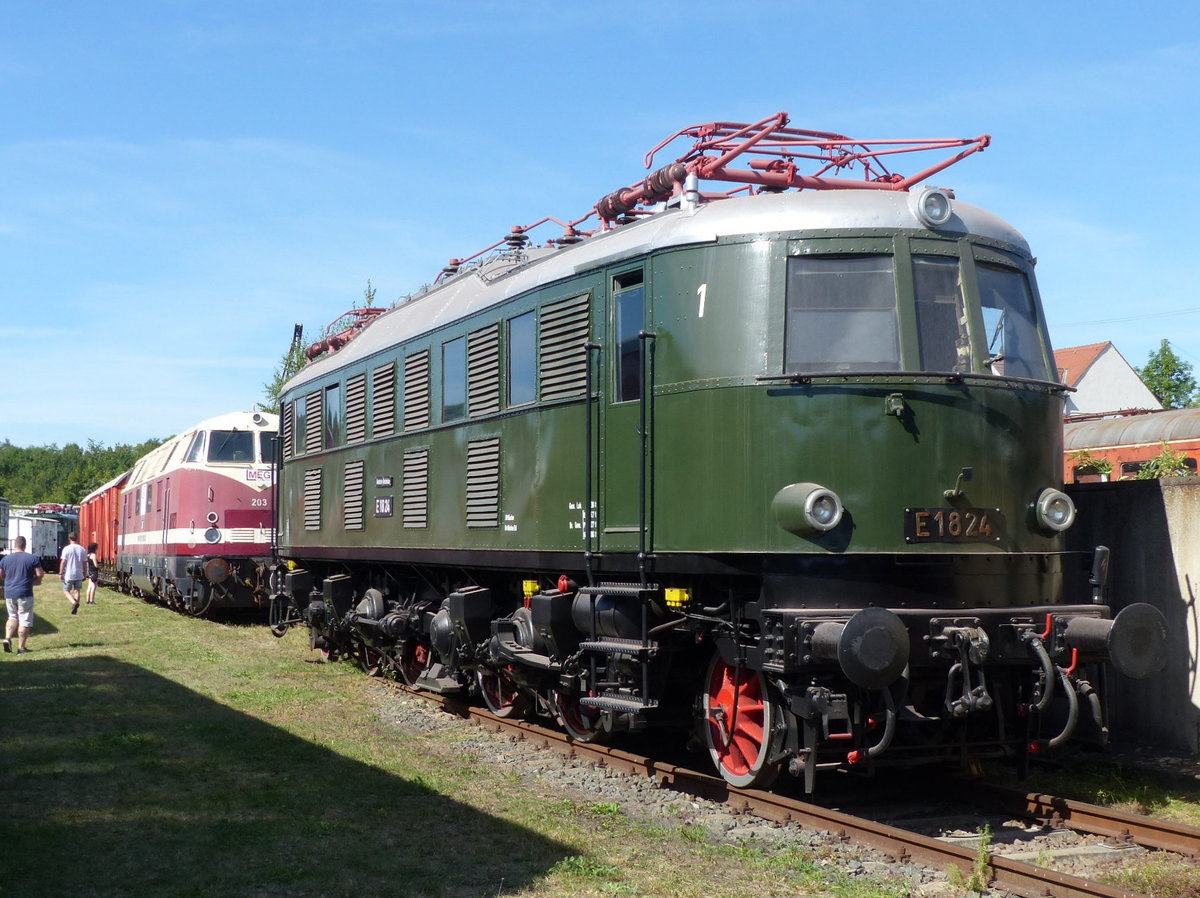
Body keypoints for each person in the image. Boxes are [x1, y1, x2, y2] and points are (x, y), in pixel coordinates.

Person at [1, 536, 46, 655]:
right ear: (25, 545)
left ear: (15, 545)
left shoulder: (5, 559)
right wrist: (34, 580)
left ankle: (7, 638)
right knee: (24, 619)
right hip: (25, 593)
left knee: (12, 617)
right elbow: (40, 574)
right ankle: (21, 648)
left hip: (9, 593)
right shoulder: (32, 558)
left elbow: (1, 575)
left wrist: (8, 580)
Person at [60, 531, 88, 614]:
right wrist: (85, 573)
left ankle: (73, 602)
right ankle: (76, 609)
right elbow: (84, 563)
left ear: (69, 539)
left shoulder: (67, 549)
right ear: (77, 538)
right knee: (77, 590)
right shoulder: (82, 549)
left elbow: (63, 562)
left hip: (69, 573)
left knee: (66, 590)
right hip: (79, 573)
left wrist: (61, 573)